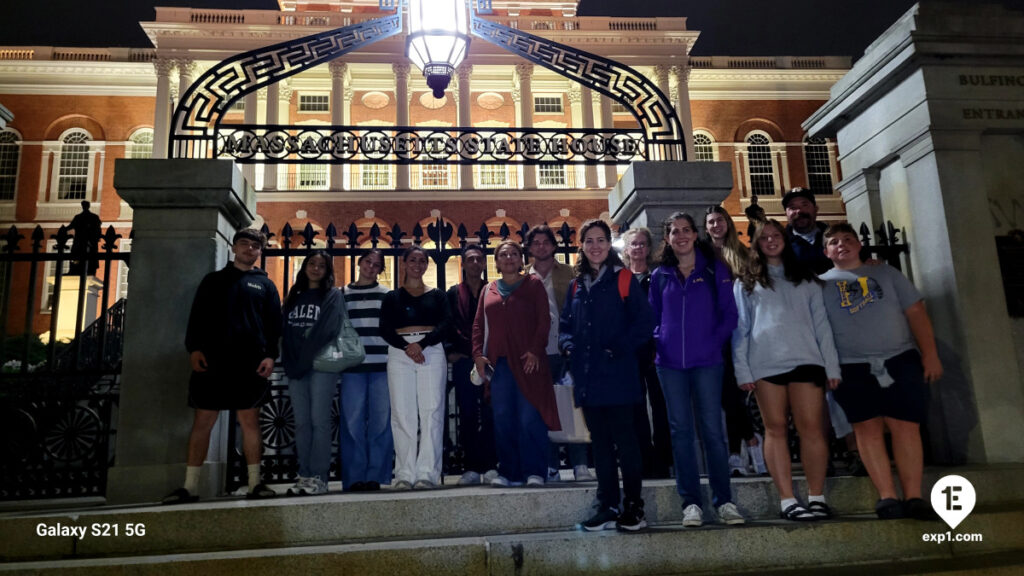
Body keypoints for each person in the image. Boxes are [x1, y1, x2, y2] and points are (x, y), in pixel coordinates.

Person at [820, 223, 943, 520]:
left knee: (905, 427)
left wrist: (930, 354)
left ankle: (913, 495)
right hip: (851, 366)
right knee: (867, 428)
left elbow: (915, 311)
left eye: (848, 239)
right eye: (834, 242)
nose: (842, 245)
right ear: (826, 252)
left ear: (860, 245)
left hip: (899, 359)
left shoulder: (886, 273)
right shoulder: (819, 285)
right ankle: (887, 495)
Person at [163, 228, 282, 504]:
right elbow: (197, 317)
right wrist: (194, 348)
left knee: (250, 422)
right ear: (234, 246)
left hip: (250, 364)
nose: (249, 249)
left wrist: (270, 355)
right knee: (203, 421)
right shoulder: (213, 280)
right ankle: (190, 486)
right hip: (213, 362)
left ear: (260, 252)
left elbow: (274, 325)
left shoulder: (265, 285)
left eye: (255, 246)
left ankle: (255, 483)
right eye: (244, 244)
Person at [732, 220, 841, 521]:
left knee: (812, 429)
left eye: (775, 235)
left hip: (807, 360)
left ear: (784, 239)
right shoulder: (746, 282)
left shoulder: (807, 280)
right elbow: (740, 329)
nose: (770, 241)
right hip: (766, 364)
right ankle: (787, 500)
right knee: (775, 429)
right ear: (755, 244)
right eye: (764, 237)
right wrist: (742, 370)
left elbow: (823, 326)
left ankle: (816, 497)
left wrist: (831, 365)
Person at [648, 212, 745, 527]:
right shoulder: (660, 275)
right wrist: (660, 340)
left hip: (707, 362)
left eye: (685, 230)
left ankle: (724, 501)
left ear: (695, 234)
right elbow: (652, 317)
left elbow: (729, 314)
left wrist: (712, 343)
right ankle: (691, 503)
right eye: (673, 231)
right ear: (667, 239)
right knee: (681, 433)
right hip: (670, 365)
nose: (680, 236)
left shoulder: (715, 269)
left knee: (713, 432)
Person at [560, 219, 654, 532]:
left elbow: (644, 323)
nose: (596, 246)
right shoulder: (576, 285)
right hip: (588, 378)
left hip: (618, 375)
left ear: (608, 244)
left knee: (626, 443)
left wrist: (619, 348)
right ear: (582, 247)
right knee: (599, 444)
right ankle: (608, 504)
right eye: (589, 241)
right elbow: (565, 326)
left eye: (601, 240)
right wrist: (569, 346)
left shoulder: (623, 278)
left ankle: (634, 507)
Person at [783, 187, 863, 475]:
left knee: (841, 388)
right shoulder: (781, 243)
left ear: (815, 208)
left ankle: (855, 451)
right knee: (810, 396)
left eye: (804, 204)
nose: (798, 210)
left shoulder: (831, 239)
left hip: (839, 323)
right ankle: (821, 454)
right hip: (801, 327)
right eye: (792, 207)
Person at [473, 240, 559, 488]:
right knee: (502, 418)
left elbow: (544, 321)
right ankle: (509, 472)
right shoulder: (488, 289)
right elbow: (478, 325)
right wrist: (478, 354)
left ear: (521, 259)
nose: (509, 258)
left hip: (528, 362)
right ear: (497, 262)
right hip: (498, 364)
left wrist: (534, 350)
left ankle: (534, 471)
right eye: (503, 255)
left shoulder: (533, 284)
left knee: (529, 417)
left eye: (513, 254)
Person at [379, 246, 453, 490]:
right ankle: (404, 473)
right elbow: (385, 328)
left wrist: (421, 344)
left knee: (431, 412)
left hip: (430, 351)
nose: (417, 264)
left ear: (426, 265)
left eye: (422, 261)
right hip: (400, 353)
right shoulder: (392, 297)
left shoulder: (438, 295)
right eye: (413, 260)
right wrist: (407, 346)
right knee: (402, 413)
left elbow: (445, 324)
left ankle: (427, 473)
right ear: (404, 263)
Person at [525, 224, 593, 483]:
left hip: (566, 349)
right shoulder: (524, 279)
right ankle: (550, 465)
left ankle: (580, 464)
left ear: (553, 246)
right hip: (538, 353)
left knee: (572, 407)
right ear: (530, 248)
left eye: (545, 242)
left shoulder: (569, 273)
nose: (541, 246)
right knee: (543, 410)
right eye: (536, 243)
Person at [704, 206, 765, 478]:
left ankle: (741, 451)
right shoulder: (703, 255)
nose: (716, 225)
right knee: (726, 395)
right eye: (711, 222)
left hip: (740, 329)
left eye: (720, 220)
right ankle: (747, 444)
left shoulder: (743, 254)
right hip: (712, 330)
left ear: (728, 223)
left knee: (735, 394)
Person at [280, 251, 344, 496]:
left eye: (322, 265)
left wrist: (304, 360)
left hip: (321, 366)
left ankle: (320, 476)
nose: (316, 268)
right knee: (302, 423)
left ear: (328, 271)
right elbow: (285, 332)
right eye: (312, 264)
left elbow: (327, 331)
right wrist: (291, 361)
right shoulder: (294, 296)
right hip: (296, 367)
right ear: (304, 267)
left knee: (320, 421)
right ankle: (304, 474)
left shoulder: (332, 295)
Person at [619, 227, 671, 479]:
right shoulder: (620, 279)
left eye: (642, 244)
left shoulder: (658, 277)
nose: (638, 248)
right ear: (626, 250)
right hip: (630, 352)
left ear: (649, 249)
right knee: (635, 406)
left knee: (660, 406)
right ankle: (643, 459)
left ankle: (663, 460)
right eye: (633, 245)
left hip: (657, 349)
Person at [340, 249, 394, 492]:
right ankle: (354, 477)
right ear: (359, 263)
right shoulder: (342, 294)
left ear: (381, 270)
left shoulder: (386, 295)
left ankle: (375, 475)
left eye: (376, 265)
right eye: (367, 262)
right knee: (351, 423)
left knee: (381, 423)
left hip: (382, 365)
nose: (371, 267)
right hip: (352, 366)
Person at [446, 244, 498, 485]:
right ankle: (470, 467)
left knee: (490, 413)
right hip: (464, 360)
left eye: (479, 259)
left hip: (489, 361)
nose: (475, 263)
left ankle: (490, 465)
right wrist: (454, 352)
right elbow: (449, 325)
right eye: (470, 259)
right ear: (463, 264)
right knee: (467, 414)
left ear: (484, 263)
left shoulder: (494, 290)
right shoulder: (453, 293)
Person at [67, 200, 102, 275]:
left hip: (83, 241)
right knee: (81, 256)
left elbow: (70, 226)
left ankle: (79, 269)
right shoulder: (92, 217)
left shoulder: (80, 217)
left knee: (80, 256)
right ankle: (85, 270)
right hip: (85, 242)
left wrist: (64, 229)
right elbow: (98, 230)